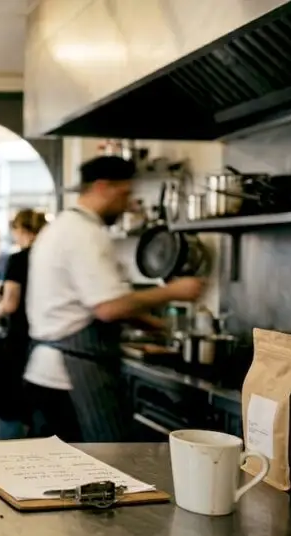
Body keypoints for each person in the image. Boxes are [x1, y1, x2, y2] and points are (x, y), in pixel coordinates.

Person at [24, 156, 205, 442]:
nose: (127, 204)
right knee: (102, 466)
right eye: (124, 194)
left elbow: (90, 302)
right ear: (102, 187)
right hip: (73, 375)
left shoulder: (60, 227)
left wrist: (152, 324)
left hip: (48, 370)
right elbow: (108, 308)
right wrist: (174, 291)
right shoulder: (86, 233)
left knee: (67, 471)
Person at [0, 209, 48, 439]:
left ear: (20, 230)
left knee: (9, 405)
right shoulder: (48, 259)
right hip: (44, 342)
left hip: (19, 341)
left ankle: (6, 453)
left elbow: (10, 303)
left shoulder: (19, 259)